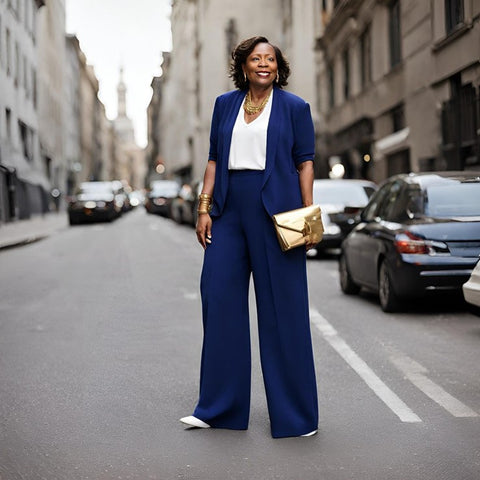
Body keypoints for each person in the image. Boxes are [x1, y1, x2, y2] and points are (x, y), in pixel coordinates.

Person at [180, 36, 318, 438]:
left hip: (278, 212)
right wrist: (204, 207)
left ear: (278, 66)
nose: (263, 64)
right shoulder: (225, 105)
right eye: (256, 58)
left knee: (283, 312)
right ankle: (218, 409)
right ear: (243, 66)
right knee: (219, 299)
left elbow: (305, 164)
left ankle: (296, 417)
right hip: (229, 210)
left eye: (270, 59)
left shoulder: (294, 108)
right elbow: (213, 159)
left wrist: (307, 217)